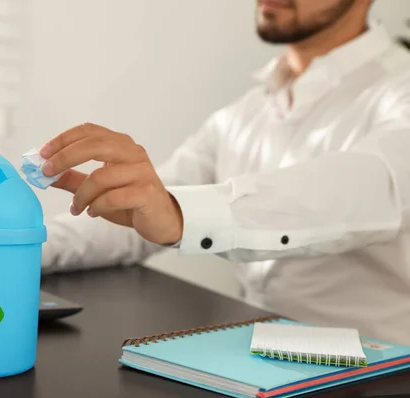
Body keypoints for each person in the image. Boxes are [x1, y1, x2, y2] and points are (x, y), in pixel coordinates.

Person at [38, 0, 410, 345]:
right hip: (252, 359)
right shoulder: (242, 115)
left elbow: (373, 184)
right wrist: (16, 244)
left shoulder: (400, 90)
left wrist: (183, 214)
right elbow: (140, 213)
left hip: (381, 371)